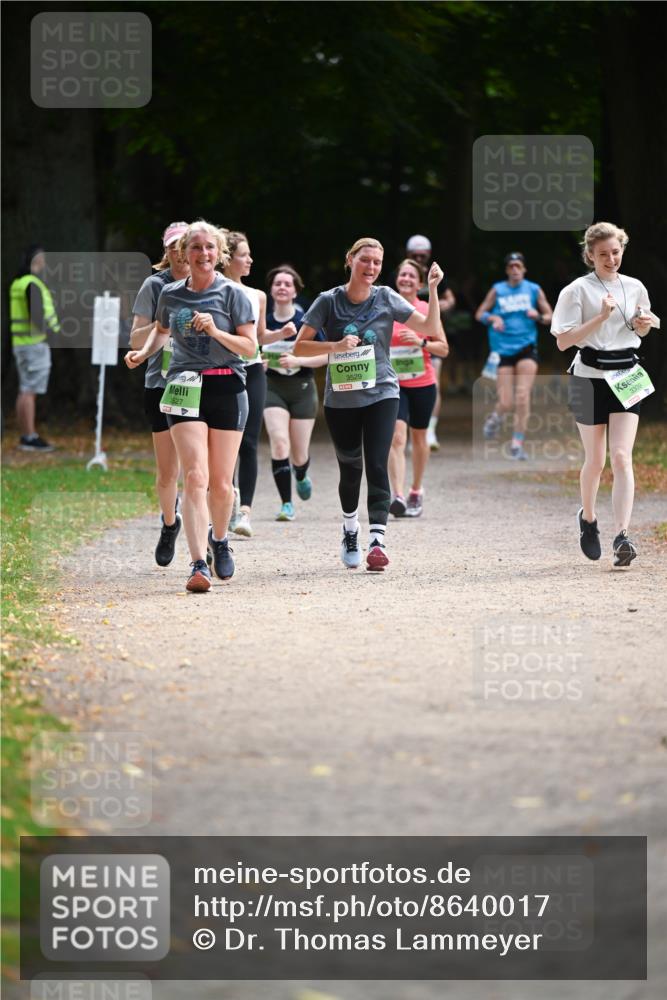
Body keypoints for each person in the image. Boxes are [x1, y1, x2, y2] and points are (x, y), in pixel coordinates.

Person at [294, 237, 443, 571]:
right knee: (351, 468)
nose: (371, 267)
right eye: (365, 260)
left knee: (377, 463)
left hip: (383, 392)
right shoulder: (328, 301)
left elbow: (431, 327)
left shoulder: (386, 297)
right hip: (342, 399)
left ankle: (377, 540)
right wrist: (335, 346)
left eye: (377, 262)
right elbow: (299, 349)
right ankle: (350, 529)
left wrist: (431, 289)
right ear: (350, 260)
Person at [124, 221, 256, 592]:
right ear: (184, 253)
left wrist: (215, 331)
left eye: (209, 248)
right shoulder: (170, 294)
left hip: (227, 385)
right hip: (183, 385)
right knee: (194, 476)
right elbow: (161, 332)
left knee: (221, 483)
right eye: (195, 247)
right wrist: (142, 353)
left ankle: (220, 539)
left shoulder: (234, 295)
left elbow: (250, 348)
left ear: (219, 254)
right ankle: (198, 563)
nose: (203, 254)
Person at [551, 222, 658, 567]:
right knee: (595, 461)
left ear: (622, 249)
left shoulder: (635, 286)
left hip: (627, 374)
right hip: (589, 378)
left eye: (615, 252)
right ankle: (588, 519)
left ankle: (623, 535)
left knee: (622, 457)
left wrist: (644, 324)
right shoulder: (576, 291)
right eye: (603, 254)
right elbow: (564, 341)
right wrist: (600, 317)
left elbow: (641, 326)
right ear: (590, 256)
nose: (611, 259)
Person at [130, 222, 189, 566]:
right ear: (165, 252)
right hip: (161, 383)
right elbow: (136, 339)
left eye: (185, 245)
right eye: (173, 247)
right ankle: (170, 522)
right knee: (169, 472)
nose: (179, 253)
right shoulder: (154, 285)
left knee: (200, 470)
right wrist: (163, 323)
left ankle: (212, 536)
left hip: (201, 383)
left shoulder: (210, 285)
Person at [261, 264, 327, 521]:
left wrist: (300, 361)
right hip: (272, 387)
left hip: (301, 389)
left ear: (295, 291)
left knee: (299, 454)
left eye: (287, 284)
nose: (282, 287)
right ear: (271, 289)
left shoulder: (305, 321)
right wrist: (259, 362)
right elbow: (248, 349)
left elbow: (326, 355)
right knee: (279, 443)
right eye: (277, 283)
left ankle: (300, 473)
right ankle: (286, 504)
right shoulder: (263, 322)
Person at [475, 252, 553, 460]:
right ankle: (495, 417)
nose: (515, 270)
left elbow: (550, 316)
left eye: (518, 266)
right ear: (507, 270)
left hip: (526, 348)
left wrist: (538, 315)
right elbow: (479, 313)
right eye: (511, 267)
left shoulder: (534, 289)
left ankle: (517, 443)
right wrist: (492, 317)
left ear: (524, 269)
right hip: (502, 350)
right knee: (506, 401)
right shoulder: (498, 290)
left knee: (522, 396)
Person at [388, 259, 449, 517]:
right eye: (402, 274)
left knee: (419, 439)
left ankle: (416, 490)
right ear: (396, 279)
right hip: (394, 385)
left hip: (423, 383)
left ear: (420, 283)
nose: (406, 279)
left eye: (412, 276)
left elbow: (443, 348)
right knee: (397, 437)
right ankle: (398, 495)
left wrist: (421, 342)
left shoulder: (425, 308)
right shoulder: (386, 307)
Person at [222, 232, 267, 538]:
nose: (249, 260)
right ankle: (227, 499)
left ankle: (245, 512)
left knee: (249, 442)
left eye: (250, 254)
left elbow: (259, 337)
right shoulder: (214, 291)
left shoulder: (258, 296)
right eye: (243, 255)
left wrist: (279, 343)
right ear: (227, 259)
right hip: (224, 371)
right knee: (227, 444)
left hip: (252, 371)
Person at [405, 234, 455, 450]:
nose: (419, 258)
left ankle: (429, 431)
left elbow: (450, 298)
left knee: (432, 384)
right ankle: (408, 431)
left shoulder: (435, 273)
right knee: (403, 383)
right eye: (415, 255)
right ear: (408, 254)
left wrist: (442, 304)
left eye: (422, 255)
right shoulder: (402, 274)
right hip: (406, 337)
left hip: (430, 335)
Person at [9, 245, 60, 451]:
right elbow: (37, 315)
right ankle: (30, 436)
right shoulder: (32, 284)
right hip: (34, 345)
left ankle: (25, 435)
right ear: (35, 261)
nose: (44, 263)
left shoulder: (18, 284)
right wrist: (51, 332)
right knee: (30, 391)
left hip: (21, 344)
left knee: (24, 389)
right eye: (42, 259)